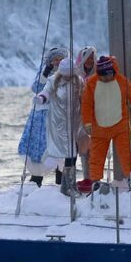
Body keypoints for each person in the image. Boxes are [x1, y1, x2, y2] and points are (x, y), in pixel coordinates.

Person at [77, 55, 131, 193]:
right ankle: (95, 183)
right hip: (99, 129)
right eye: (104, 75)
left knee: (126, 155)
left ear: (113, 71)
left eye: (110, 74)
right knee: (96, 157)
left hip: (120, 127)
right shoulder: (91, 83)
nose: (107, 77)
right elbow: (86, 105)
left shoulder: (122, 82)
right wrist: (87, 123)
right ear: (99, 73)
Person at [18, 46, 69, 187]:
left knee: (59, 148)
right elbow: (36, 89)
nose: (57, 62)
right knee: (39, 147)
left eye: (60, 59)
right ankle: (36, 178)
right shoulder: (43, 73)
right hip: (40, 116)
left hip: (59, 116)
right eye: (55, 60)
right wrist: (45, 73)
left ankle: (61, 180)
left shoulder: (68, 74)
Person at [37, 57, 82, 192]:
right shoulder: (53, 81)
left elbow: (85, 97)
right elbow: (46, 92)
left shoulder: (78, 82)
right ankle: (62, 183)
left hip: (74, 121)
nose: (68, 78)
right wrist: (40, 98)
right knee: (61, 150)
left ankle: (68, 182)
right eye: (66, 76)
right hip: (58, 121)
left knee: (73, 151)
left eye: (70, 75)